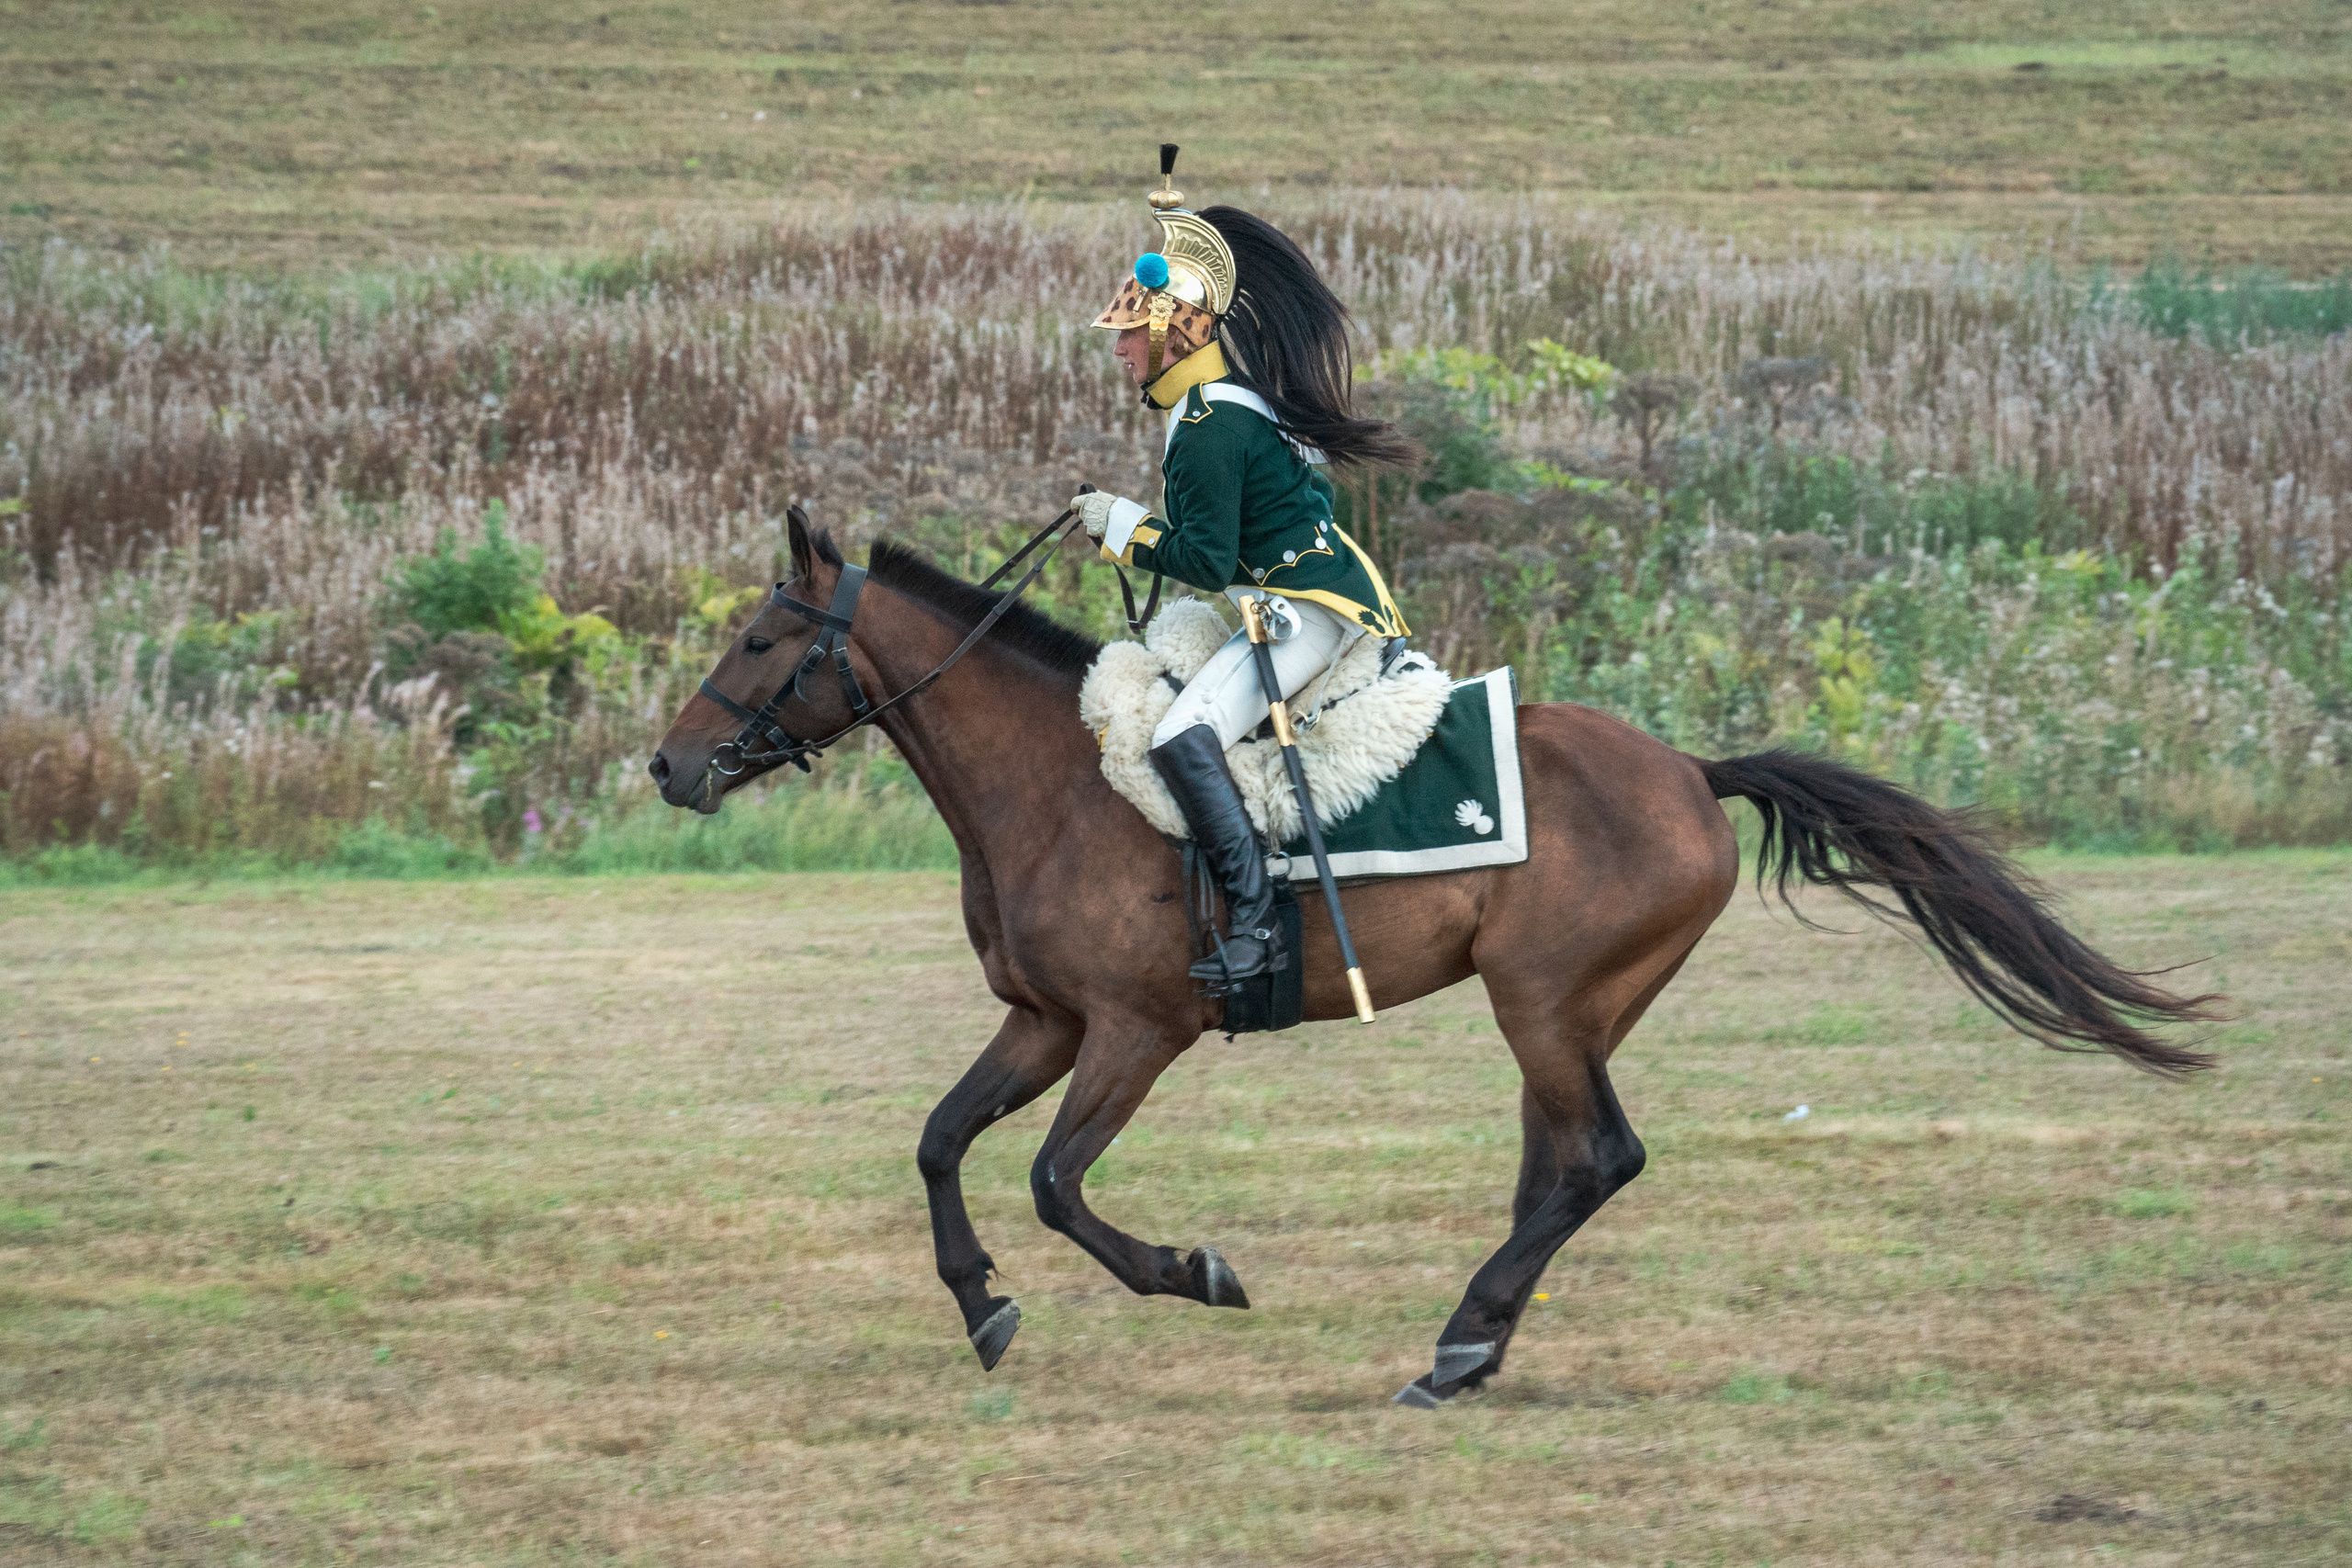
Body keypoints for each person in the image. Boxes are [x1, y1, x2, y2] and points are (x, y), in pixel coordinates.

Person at [1072, 146, 1421, 992]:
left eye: (1128, 335)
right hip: (1295, 595)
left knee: (1180, 737)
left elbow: (1205, 558)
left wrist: (1122, 526)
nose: (1119, 352)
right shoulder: (1221, 403)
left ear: (1171, 334)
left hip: (1304, 610)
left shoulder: (1210, 426)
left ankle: (1259, 925)